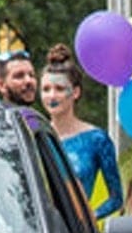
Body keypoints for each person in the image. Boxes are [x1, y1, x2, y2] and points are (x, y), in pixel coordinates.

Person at [40, 44, 122, 220]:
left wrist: (89, 218)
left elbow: (116, 198)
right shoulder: (35, 137)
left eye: (59, 89)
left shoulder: (96, 139)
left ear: (75, 92)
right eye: (46, 89)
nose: (52, 96)